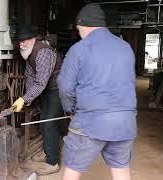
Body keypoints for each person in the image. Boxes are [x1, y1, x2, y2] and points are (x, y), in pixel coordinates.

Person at [57, 4, 137, 180]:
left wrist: (71, 110)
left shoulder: (79, 49)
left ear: (83, 25)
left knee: (72, 167)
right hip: (124, 122)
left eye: (78, 30)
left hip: (90, 121)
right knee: (121, 168)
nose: (79, 34)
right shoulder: (125, 47)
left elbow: (64, 86)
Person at [12, 25, 64, 175]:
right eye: (19, 41)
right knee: (43, 120)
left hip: (58, 88)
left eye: (25, 41)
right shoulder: (27, 52)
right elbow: (30, 76)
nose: (22, 44)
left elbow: (41, 82)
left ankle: (52, 162)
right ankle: (48, 151)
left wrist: (24, 98)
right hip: (48, 89)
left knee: (49, 123)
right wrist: (29, 97)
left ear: (33, 39)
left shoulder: (42, 52)